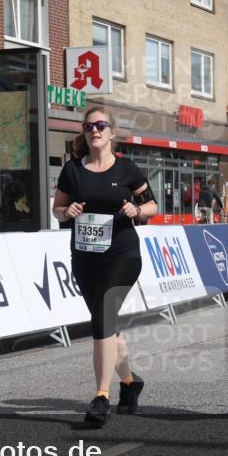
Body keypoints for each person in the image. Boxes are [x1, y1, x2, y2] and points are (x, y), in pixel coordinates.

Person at [52, 107, 158, 425]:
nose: (94, 131)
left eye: (100, 125)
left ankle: (101, 396)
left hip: (122, 255)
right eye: (89, 126)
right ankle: (130, 382)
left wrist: (136, 210)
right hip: (85, 257)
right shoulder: (72, 170)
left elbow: (152, 206)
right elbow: (57, 208)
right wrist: (66, 212)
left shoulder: (126, 168)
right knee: (106, 324)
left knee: (101, 319)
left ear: (111, 132)